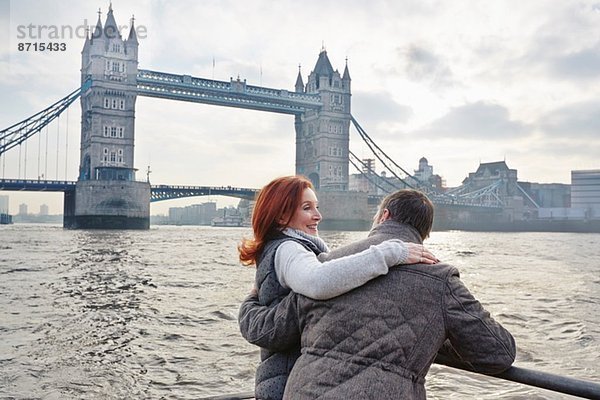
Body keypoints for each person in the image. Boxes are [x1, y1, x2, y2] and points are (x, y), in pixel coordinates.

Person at [239, 189, 516, 400]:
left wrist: (252, 299)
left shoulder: (328, 264)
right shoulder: (441, 278)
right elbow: (498, 353)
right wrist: (435, 331)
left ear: (384, 216)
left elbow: (271, 329)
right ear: (424, 234)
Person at [238, 177, 438, 400]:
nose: (318, 215)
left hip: (282, 380)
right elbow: (318, 282)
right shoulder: (289, 249)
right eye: (307, 208)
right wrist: (390, 253)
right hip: (287, 383)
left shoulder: (287, 247)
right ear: (282, 215)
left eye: (317, 207)